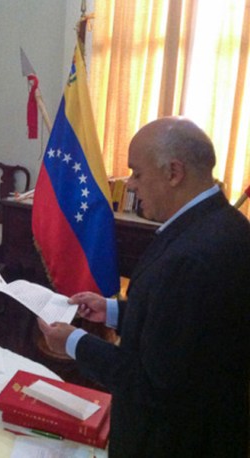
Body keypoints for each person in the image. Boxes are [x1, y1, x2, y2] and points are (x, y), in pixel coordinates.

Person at [38, 117, 250, 457]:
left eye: (137, 172)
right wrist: (110, 310)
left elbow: (152, 383)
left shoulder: (192, 256)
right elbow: (177, 330)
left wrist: (74, 343)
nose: (130, 184)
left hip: (171, 440)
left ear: (173, 173)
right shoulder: (221, 224)